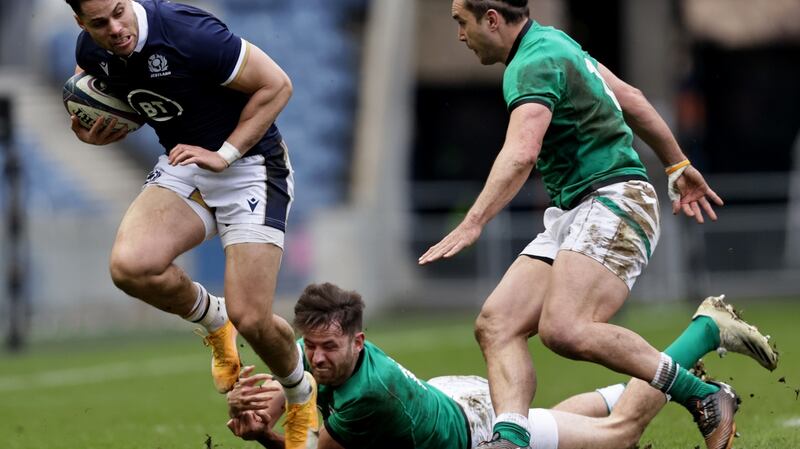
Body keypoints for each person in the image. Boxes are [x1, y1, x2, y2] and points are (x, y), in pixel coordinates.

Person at [417, 1, 728, 447]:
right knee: (497, 323)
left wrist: (473, 223)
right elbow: (633, 100)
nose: (459, 35)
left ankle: (703, 395)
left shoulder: (529, 63)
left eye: (461, 23)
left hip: (612, 199)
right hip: (578, 210)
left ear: (490, 19)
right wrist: (677, 164)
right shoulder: (555, 43)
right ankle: (511, 439)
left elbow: (523, 151)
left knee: (565, 328)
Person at [63, 1, 316, 447]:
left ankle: (300, 393)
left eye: (120, 11)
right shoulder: (92, 49)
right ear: (81, 23)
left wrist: (225, 155)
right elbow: (125, 100)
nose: (115, 28)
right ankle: (216, 322)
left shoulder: (187, 32)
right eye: (100, 23)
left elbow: (277, 86)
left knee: (253, 318)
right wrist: (91, 128)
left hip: (250, 164)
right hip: (186, 161)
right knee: (131, 266)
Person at [224, 283, 777, 449]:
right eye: (311, 348)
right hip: (454, 398)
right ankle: (653, 381)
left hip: (481, 430)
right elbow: (299, 375)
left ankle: (702, 331)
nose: (318, 359)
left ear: (357, 341)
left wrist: (268, 434)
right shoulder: (349, 366)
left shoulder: (367, 398)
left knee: (619, 436)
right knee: (557, 422)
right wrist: (283, 386)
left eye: (329, 349)